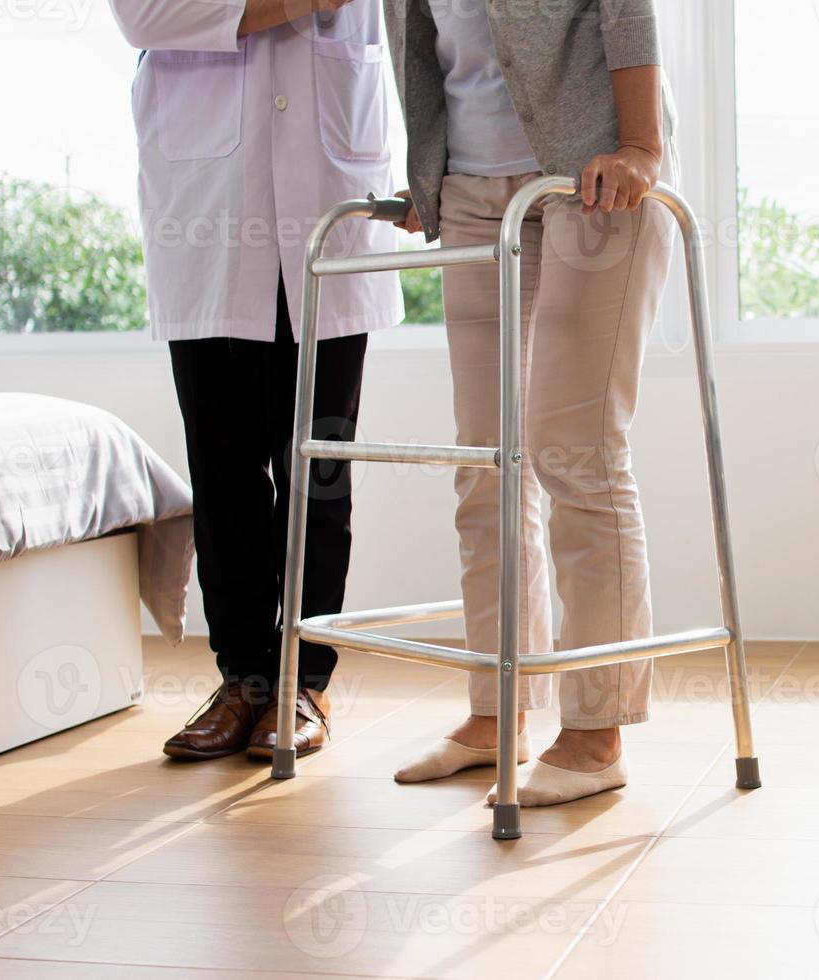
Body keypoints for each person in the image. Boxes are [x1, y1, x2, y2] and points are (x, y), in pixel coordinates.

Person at [387, 0, 677, 805]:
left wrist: (642, 146)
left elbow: (626, 14)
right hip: (472, 195)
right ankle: (496, 712)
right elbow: (427, 51)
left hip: (593, 178)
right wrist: (429, 174)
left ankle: (596, 728)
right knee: (484, 463)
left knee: (575, 450)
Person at [109, 0, 404, 760]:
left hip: (329, 198)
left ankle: (304, 680)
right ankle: (242, 679)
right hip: (207, 215)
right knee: (224, 469)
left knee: (319, 471)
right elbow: (142, 14)